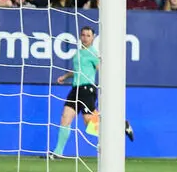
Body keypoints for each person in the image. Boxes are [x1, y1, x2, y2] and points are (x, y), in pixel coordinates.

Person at [51, 26, 133, 159]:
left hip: (87, 89)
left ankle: (120, 125)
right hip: (75, 89)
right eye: (83, 35)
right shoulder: (78, 53)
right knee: (65, 118)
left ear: (93, 37)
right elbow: (77, 70)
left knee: (89, 122)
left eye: (88, 35)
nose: (85, 38)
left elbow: (101, 69)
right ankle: (58, 152)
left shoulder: (94, 53)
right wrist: (65, 77)